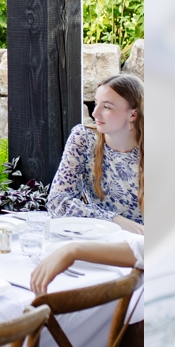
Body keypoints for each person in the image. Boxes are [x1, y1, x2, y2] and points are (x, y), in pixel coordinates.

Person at [47, 74, 144, 234]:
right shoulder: (84, 138)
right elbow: (58, 202)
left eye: (106, 107)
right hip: (100, 239)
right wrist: (113, 220)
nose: (95, 113)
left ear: (132, 115)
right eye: (96, 103)